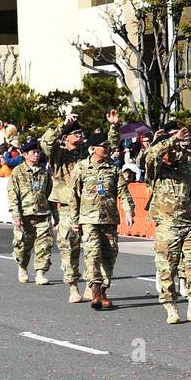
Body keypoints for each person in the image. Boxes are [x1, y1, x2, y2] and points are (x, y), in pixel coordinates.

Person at [43, 112, 118, 304]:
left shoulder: (86, 153)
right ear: (66, 137)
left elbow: (107, 146)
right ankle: (73, 285)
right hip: (68, 208)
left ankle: (93, 286)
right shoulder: (59, 154)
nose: (80, 136)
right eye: (75, 132)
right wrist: (63, 124)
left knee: (95, 249)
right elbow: (46, 143)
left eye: (81, 132)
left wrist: (113, 128)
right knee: (70, 247)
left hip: (90, 209)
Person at [141, 127, 191, 324]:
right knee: (167, 269)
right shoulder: (155, 168)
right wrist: (170, 139)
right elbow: (151, 154)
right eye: (168, 150)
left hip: (188, 224)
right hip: (166, 226)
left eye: (175, 149)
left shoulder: (187, 162)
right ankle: (171, 307)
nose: (172, 153)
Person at [72, 130, 135, 309]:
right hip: (88, 219)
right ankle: (96, 292)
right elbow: (74, 195)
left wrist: (128, 211)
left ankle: (104, 289)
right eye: (103, 146)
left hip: (109, 219)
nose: (107, 148)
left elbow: (123, 192)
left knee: (109, 255)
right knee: (92, 255)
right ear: (92, 149)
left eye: (108, 145)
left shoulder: (114, 168)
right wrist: (75, 220)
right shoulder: (81, 168)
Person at [7, 138, 54, 286]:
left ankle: (40, 273)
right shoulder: (17, 172)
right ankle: (22, 267)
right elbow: (12, 194)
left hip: (42, 214)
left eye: (38, 152)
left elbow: (50, 194)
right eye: (33, 152)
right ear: (25, 155)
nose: (36, 155)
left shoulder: (44, 172)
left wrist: (55, 215)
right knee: (22, 246)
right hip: (25, 215)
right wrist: (16, 214)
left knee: (44, 245)